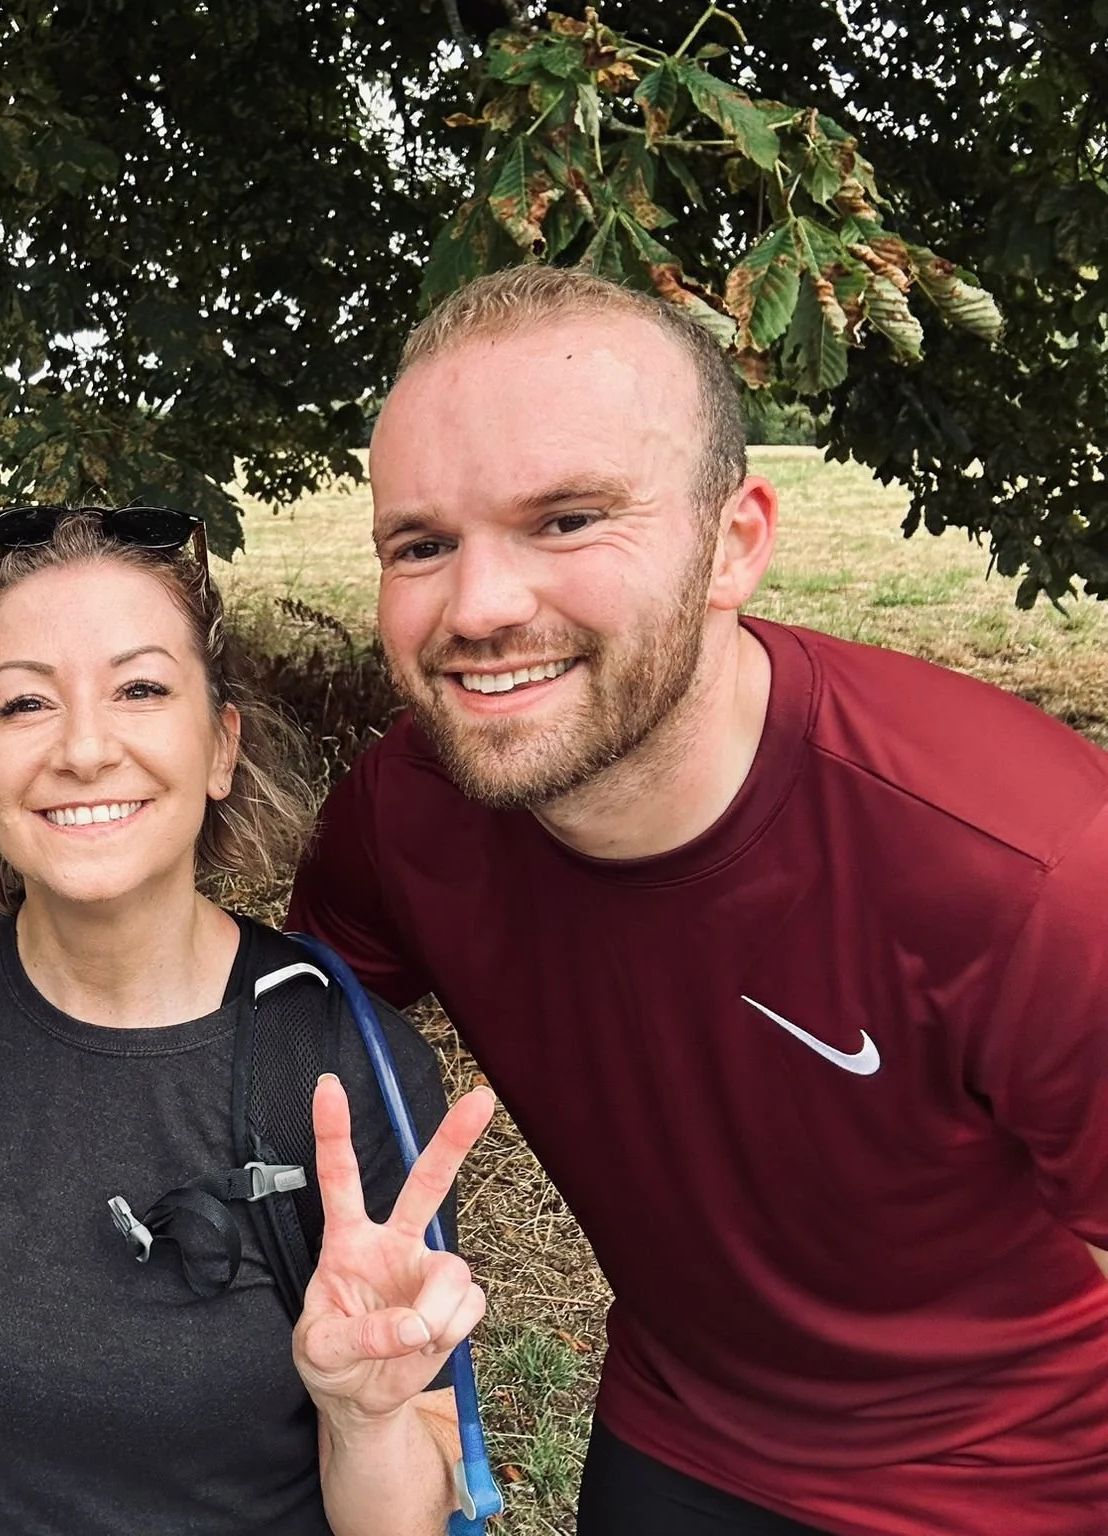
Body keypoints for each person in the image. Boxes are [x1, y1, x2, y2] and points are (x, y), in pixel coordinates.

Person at [288, 265, 1108, 1536]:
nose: (482, 605)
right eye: (422, 544)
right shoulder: (404, 815)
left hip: (1010, 1475)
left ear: (734, 542)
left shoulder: (1027, 864)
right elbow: (267, 1017)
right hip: (684, 1430)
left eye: (565, 519)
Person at [0, 507, 497, 1534]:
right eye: (25, 703)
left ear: (219, 747)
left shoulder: (331, 1066)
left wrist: (364, 1419)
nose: (81, 747)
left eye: (140, 689)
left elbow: (405, 1520)